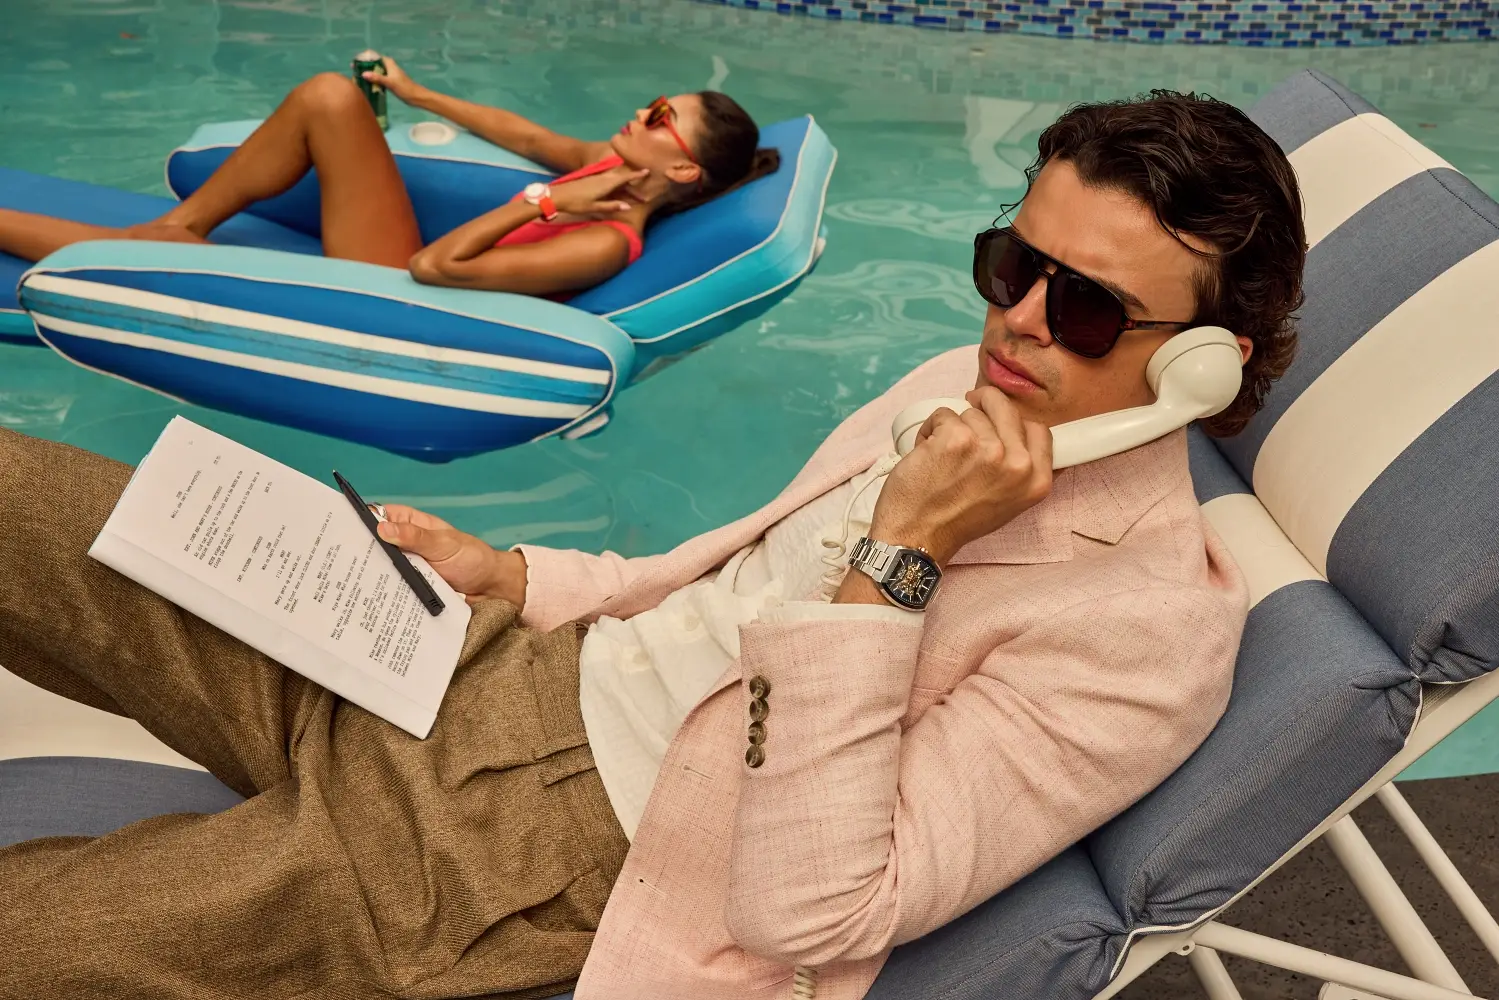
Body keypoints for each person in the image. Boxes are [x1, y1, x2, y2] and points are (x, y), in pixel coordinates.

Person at [0, 89, 1304, 999]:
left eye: (1084, 309)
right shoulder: (952, 390)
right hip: (479, 657)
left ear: (1200, 363)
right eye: (1011, 263)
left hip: (527, 852)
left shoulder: (1143, 634)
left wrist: (899, 562)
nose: (1014, 321)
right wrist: (521, 577)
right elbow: (716, 581)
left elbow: (814, 910)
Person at [0, 59, 779, 299]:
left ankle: (163, 237)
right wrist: (417, 94)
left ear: (682, 166)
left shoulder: (605, 242)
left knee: (148, 255)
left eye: (659, 116)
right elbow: (527, 135)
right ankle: (185, 221)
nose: (640, 112)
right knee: (329, 97)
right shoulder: (608, 168)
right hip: (400, 260)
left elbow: (434, 268)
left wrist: (546, 201)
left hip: (392, 291)